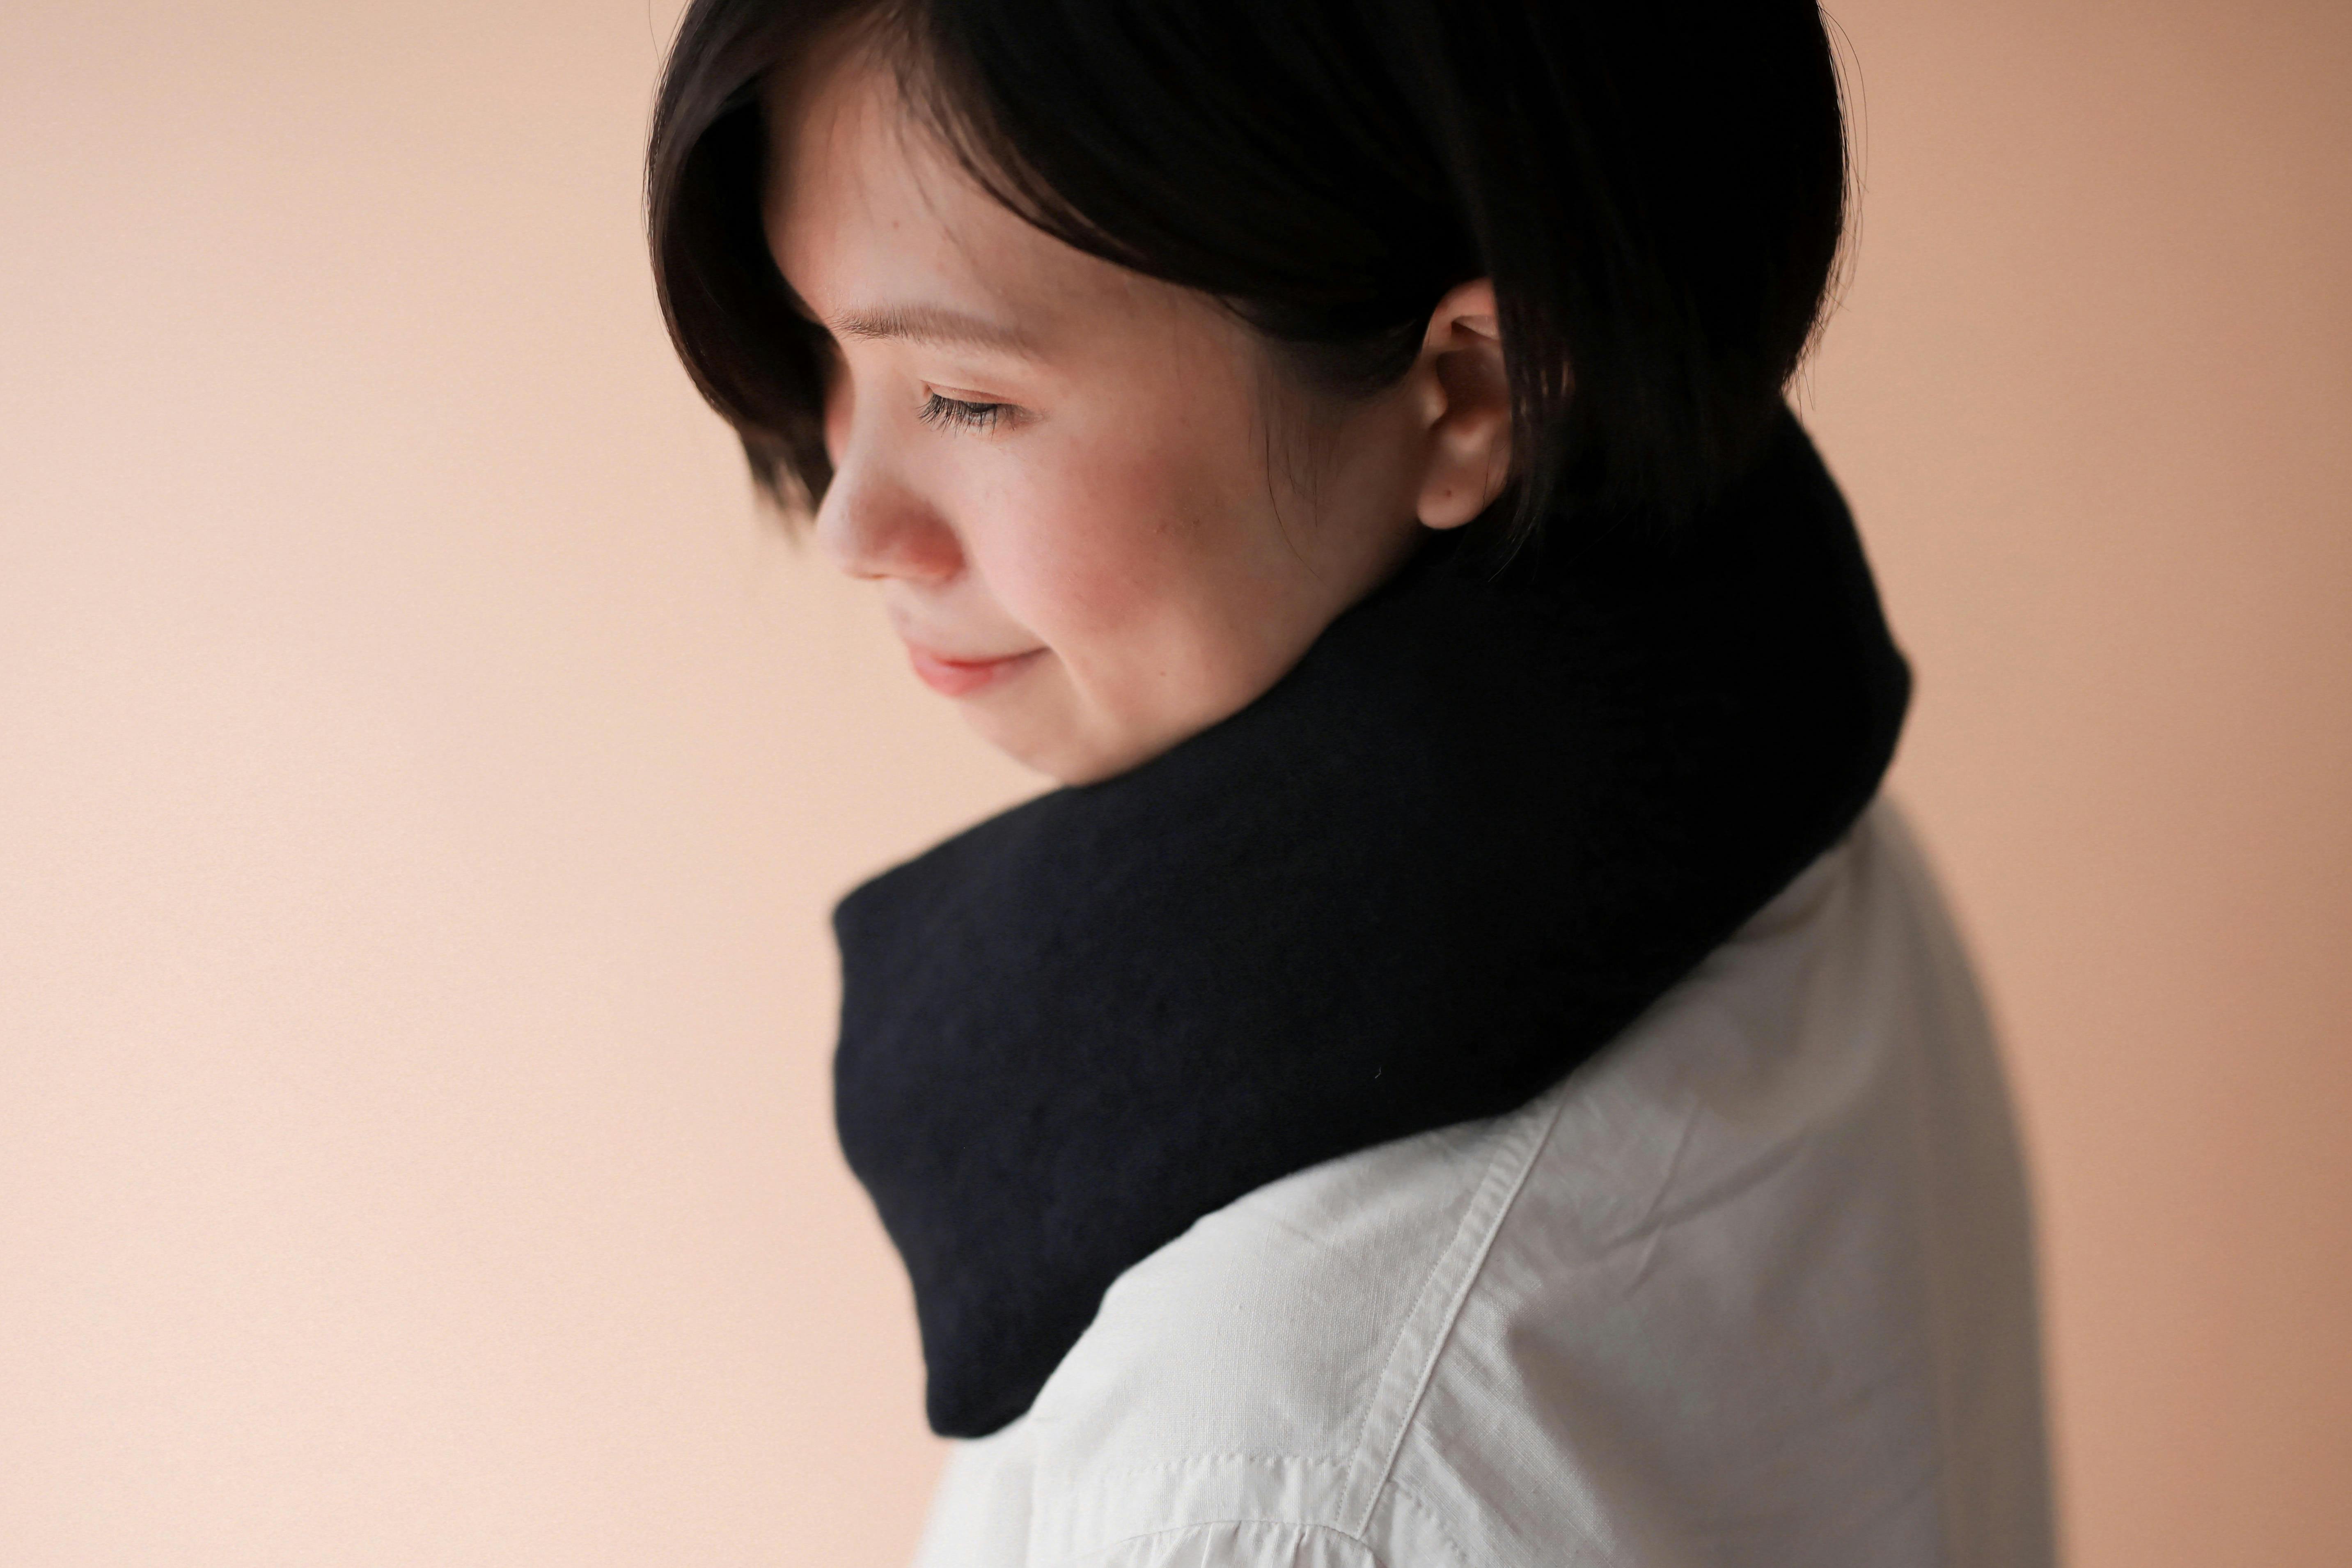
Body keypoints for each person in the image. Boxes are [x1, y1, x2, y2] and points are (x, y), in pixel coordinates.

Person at [646, 2, 2058, 1563]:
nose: (851, 521)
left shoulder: (1272, 1470)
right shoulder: (1761, 768)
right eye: (825, 347)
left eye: (967, 397)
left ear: (1471, 390)